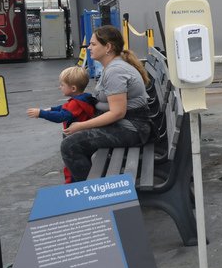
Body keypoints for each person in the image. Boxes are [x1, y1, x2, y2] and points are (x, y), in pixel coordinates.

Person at [61, 25, 153, 182]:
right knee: (71, 137)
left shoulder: (115, 71)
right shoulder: (111, 67)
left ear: (108, 47)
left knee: (70, 145)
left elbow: (118, 113)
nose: (89, 47)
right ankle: (85, 188)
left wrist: (82, 125)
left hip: (132, 129)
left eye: (94, 44)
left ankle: (92, 194)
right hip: (128, 125)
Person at [27, 66, 97, 183]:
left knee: (72, 166)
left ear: (73, 88)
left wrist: (41, 113)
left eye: (62, 85)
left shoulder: (76, 103)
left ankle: (72, 187)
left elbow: (62, 116)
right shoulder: (83, 99)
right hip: (82, 138)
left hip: (75, 139)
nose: (60, 87)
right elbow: (65, 108)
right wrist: (53, 108)